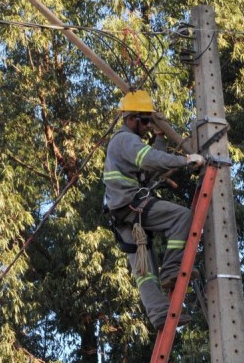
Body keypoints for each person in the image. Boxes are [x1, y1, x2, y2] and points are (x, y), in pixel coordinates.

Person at [103, 90, 205, 329]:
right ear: (131, 119)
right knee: (181, 217)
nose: (148, 126)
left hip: (123, 215)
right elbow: (150, 159)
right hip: (131, 205)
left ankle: (159, 315)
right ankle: (172, 268)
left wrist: (160, 136)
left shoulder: (126, 144)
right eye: (145, 120)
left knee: (144, 271)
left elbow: (150, 169)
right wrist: (187, 160)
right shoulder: (125, 139)